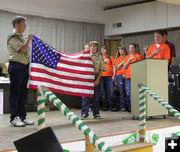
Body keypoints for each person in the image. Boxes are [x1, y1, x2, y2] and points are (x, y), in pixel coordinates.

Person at [7, 16, 34, 127]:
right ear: (17, 25)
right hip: (16, 66)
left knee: (23, 93)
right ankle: (14, 117)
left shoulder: (21, 37)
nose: (25, 27)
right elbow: (22, 50)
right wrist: (28, 39)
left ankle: (23, 116)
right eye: (23, 24)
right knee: (15, 93)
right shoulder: (13, 36)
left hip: (24, 67)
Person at [81, 41, 106, 119]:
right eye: (91, 46)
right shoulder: (85, 56)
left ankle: (96, 113)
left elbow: (101, 69)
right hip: (86, 78)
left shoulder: (99, 57)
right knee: (85, 96)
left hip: (95, 77)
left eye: (94, 46)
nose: (93, 48)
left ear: (97, 48)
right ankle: (84, 113)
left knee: (96, 97)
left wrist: (97, 80)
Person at [123, 43, 143, 112]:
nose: (130, 49)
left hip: (136, 77)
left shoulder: (139, 56)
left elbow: (140, 66)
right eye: (129, 48)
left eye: (132, 48)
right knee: (128, 93)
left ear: (135, 49)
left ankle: (135, 108)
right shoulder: (126, 57)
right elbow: (124, 66)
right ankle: (130, 108)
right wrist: (129, 60)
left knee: (135, 93)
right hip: (128, 76)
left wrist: (134, 58)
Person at [100, 45, 116, 111]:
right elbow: (97, 66)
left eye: (104, 49)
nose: (103, 50)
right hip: (101, 76)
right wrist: (104, 61)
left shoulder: (111, 57)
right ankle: (105, 106)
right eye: (102, 49)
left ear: (106, 50)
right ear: (100, 51)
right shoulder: (99, 57)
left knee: (111, 91)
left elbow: (114, 66)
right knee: (103, 92)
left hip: (109, 76)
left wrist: (113, 76)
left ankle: (112, 106)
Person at [113, 46, 128, 112]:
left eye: (122, 50)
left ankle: (128, 106)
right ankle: (123, 106)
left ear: (124, 50)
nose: (121, 51)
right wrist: (114, 77)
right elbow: (117, 67)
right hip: (119, 76)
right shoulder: (117, 58)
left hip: (126, 75)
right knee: (121, 92)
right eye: (119, 50)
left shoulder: (127, 57)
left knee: (127, 91)